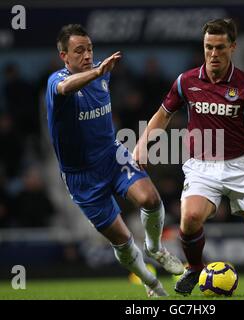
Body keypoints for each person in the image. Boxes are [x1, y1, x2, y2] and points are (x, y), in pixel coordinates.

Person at [133, 18, 244, 296]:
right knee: (190, 219)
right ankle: (195, 268)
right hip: (201, 166)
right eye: (208, 47)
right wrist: (142, 144)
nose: (213, 53)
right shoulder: (186, 81)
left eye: (220, 47)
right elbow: (162, 115)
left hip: (241, 166)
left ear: (232, 47)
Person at [45, 24, 184, 297]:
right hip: (81, 176)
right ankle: (150, 281)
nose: (87, 55)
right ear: (64, 56)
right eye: (79, 51)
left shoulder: (102, 73)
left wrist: (99, 72)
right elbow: (65, 87)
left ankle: (155, 248)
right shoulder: (57, 81)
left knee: (151, 200)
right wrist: (95, 71)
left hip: (112, 155)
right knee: (122, 240)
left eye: (90, 49)